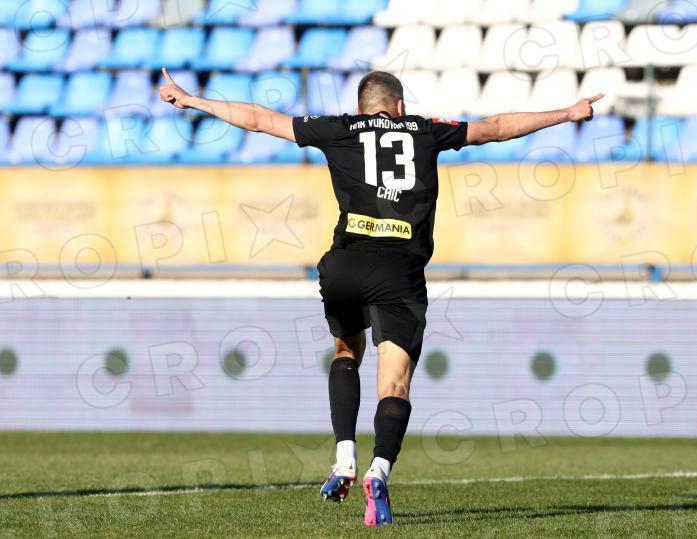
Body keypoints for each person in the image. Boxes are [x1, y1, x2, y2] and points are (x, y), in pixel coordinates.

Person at [160, 68, 602, 527]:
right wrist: (568, 113)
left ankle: (344, 458)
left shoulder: (338, 128)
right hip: (399, 271)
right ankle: (378, 471)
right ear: (400, 107)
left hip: (345, 265)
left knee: (345, 351)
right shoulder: (426, 130)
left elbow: (258, 119)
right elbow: (497, 127)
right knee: (394, 385)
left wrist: (192, 100)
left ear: (359, 108)